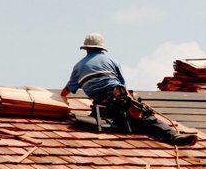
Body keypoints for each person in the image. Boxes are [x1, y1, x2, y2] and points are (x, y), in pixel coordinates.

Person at [61, 33, 196, 145]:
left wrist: (59, 100)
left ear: (86, 48)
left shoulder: (78, 67)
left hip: (103, 104)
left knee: (132, 119)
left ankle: (171, 135)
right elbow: (123, 85)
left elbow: (67, 89)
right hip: (117, 97)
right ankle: (172, 135)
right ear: (102, 48)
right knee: (145, 117)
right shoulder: (112, 61)